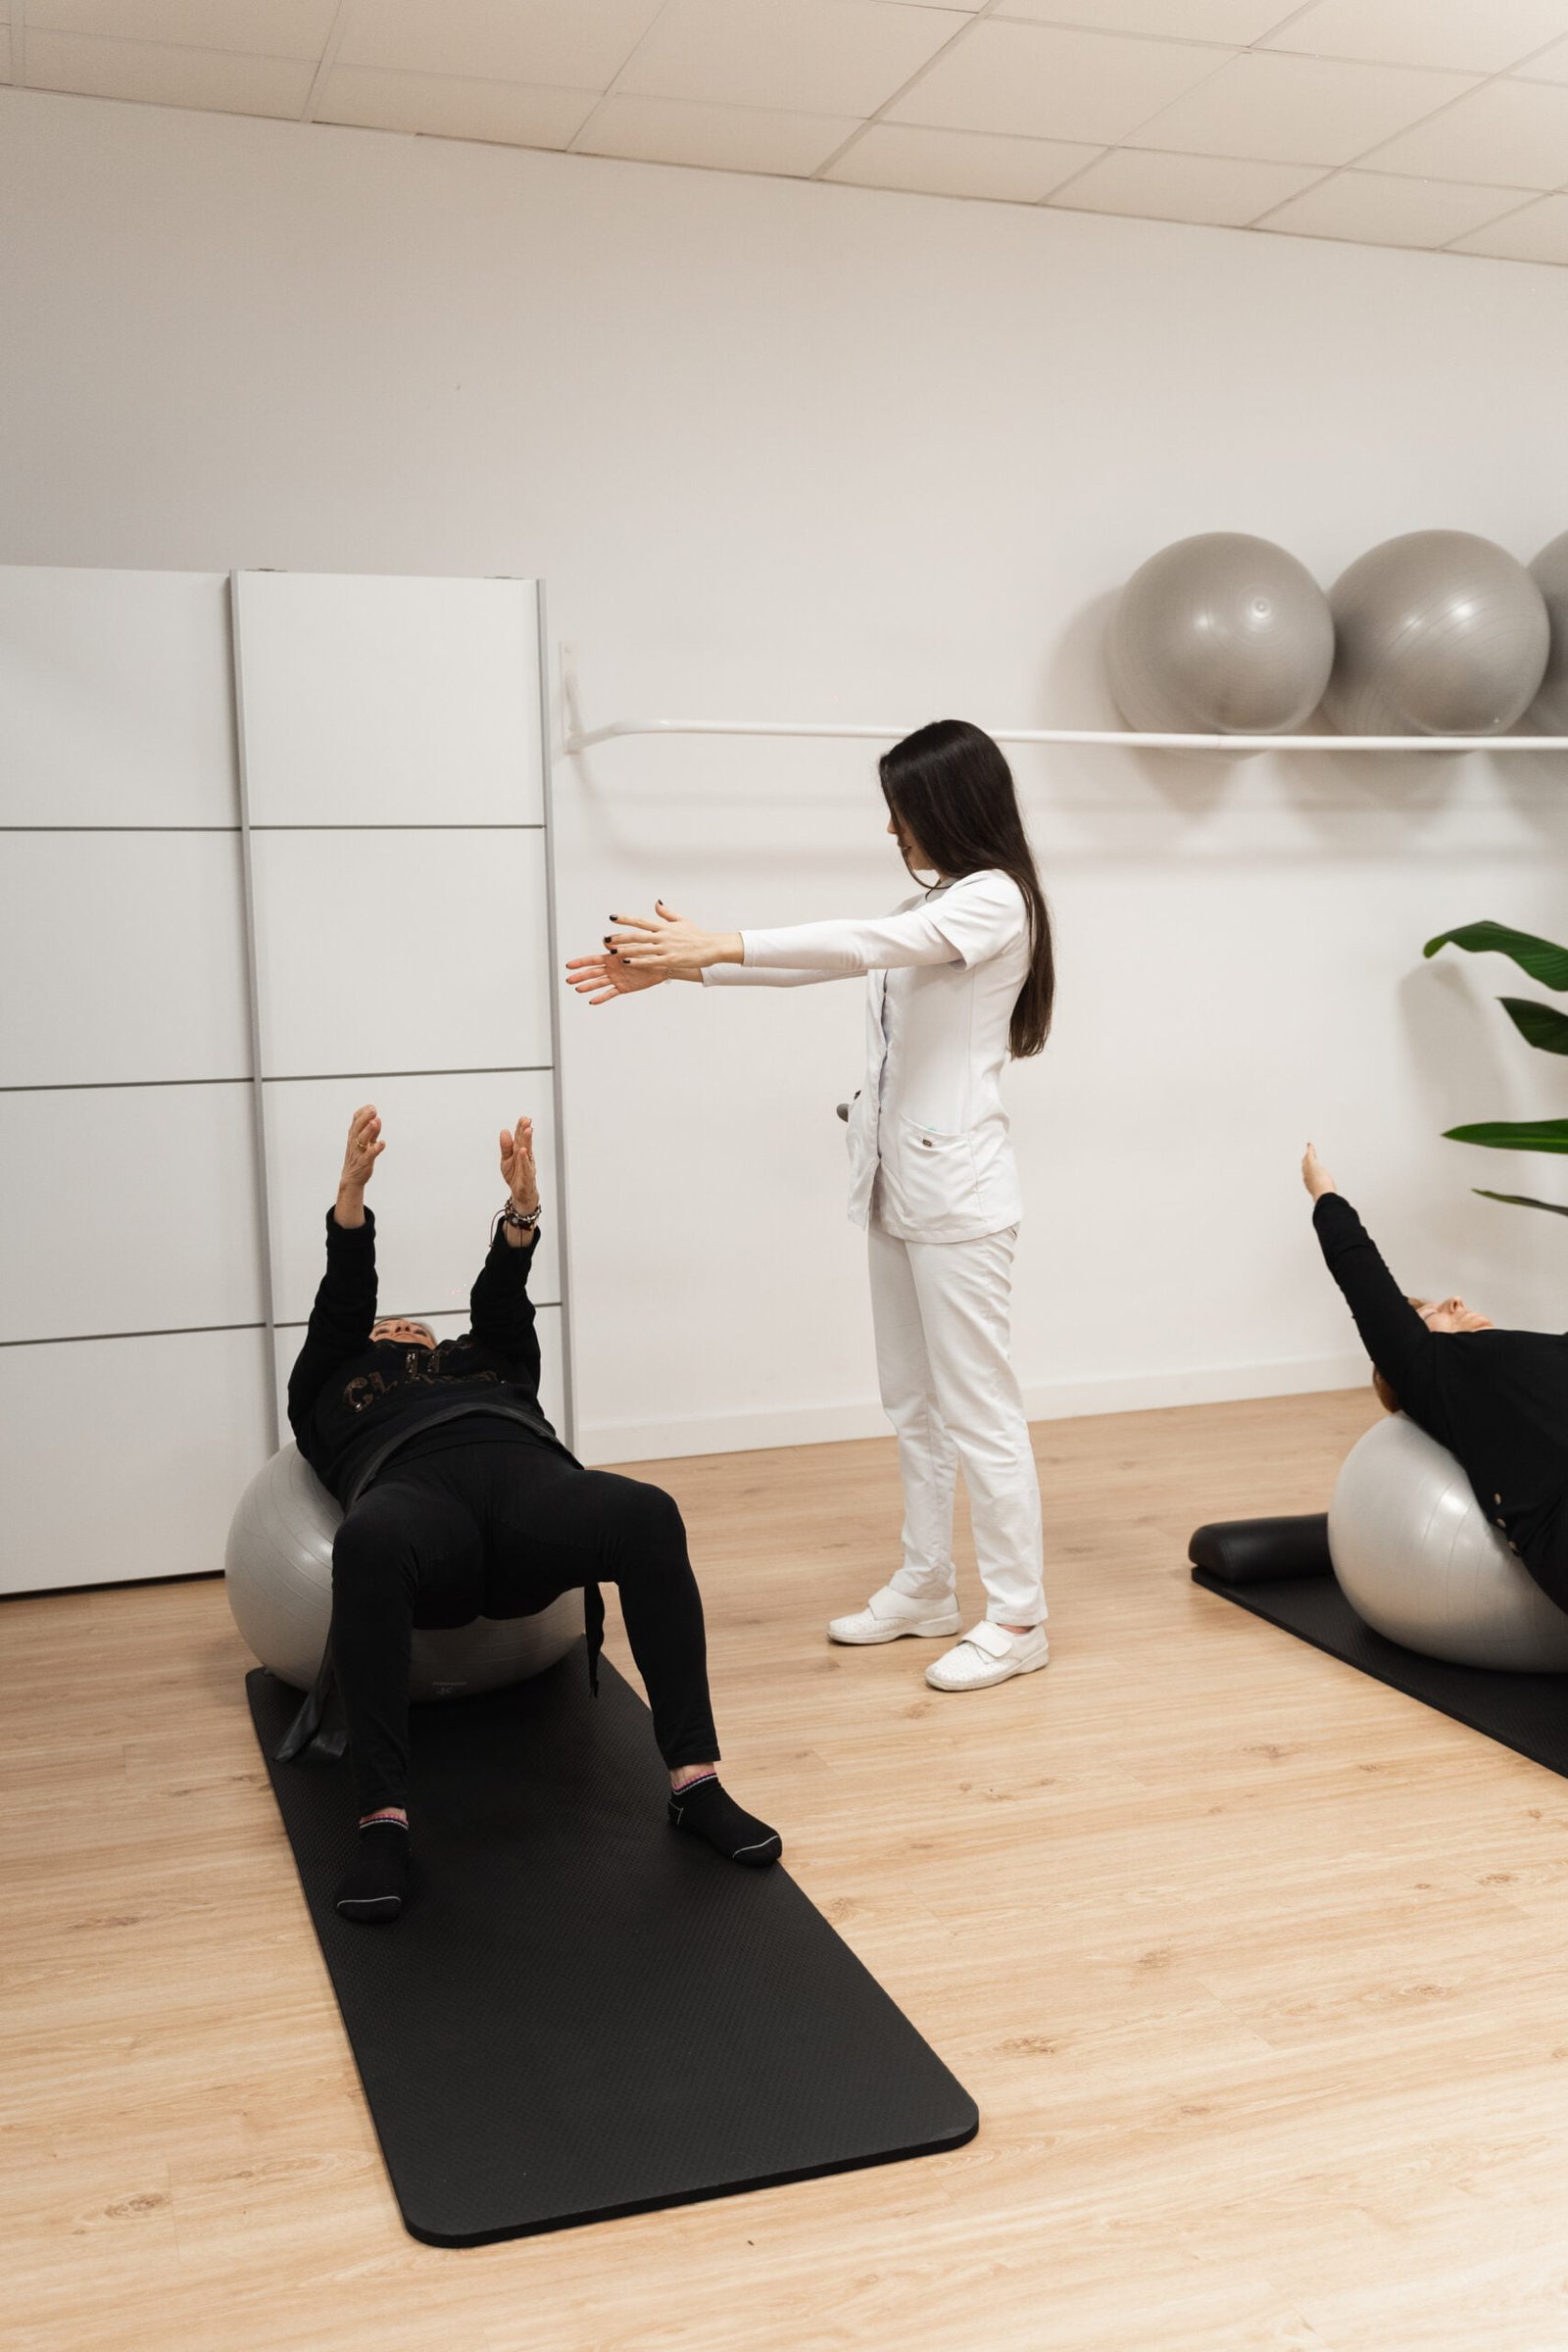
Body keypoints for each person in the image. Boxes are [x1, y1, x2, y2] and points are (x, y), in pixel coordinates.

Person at [565, 718, 1054, 1693]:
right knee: (912, 1402)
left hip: (958, 1196)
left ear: (949, 809)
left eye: (902, 809)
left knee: (977, 1408)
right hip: (893, 1182)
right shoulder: (942, 904)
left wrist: (721, 935)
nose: (890, 829)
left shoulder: (993, 900)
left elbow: (859, 943)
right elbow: (825, 961)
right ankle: (925, 1588)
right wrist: (690, 964)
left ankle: (1019, 1616)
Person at [289, 1102, 781, 1923]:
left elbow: (503, 1299)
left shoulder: (486, 1359)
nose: (403, 1325)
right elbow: (343, 1300)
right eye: (387, 1326)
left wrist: (522, 1215)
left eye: (415, 1324)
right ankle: (383, 1824)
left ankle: (696, 1784)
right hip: (414, 1497)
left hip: (528, 1488)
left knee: (650, 1512)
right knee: (369, 1540)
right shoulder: (332, 1380)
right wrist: (351, 1199)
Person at [1303, 1140, 1568, 1608]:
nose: (1456, 1302)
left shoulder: (1531, 1356)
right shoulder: (1434, 1374)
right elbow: (1361, 1275)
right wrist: (1325, 1194)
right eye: (1431, 1314)